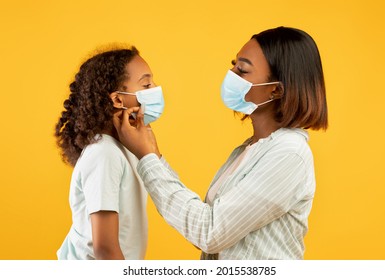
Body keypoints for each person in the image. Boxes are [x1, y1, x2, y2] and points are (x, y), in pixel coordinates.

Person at [113, 26, 328, 259]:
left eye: (242, 70)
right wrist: (154, 154)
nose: (231, 74)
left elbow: (210, 232)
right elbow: (207, 221)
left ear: (275, 90)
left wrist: (147, 159)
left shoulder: (289, 155)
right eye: (234, 64)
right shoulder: (249, 150)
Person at [55, 45, 165, 259]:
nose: (156, 88)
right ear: (117, 100)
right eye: (146, 83)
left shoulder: (126, 148)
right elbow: (104, 247)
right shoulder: (104, 153)